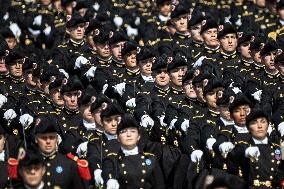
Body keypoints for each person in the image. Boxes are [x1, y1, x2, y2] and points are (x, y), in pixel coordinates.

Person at [102, 114, 165, 189]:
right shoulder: (113, 160)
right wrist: (110, 179)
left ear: (138, 136)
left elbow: (159, 185)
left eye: (133, 131)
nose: (129, 135)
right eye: (123, 132)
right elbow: (108, 171)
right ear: (118, 137)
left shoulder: (150, 158)